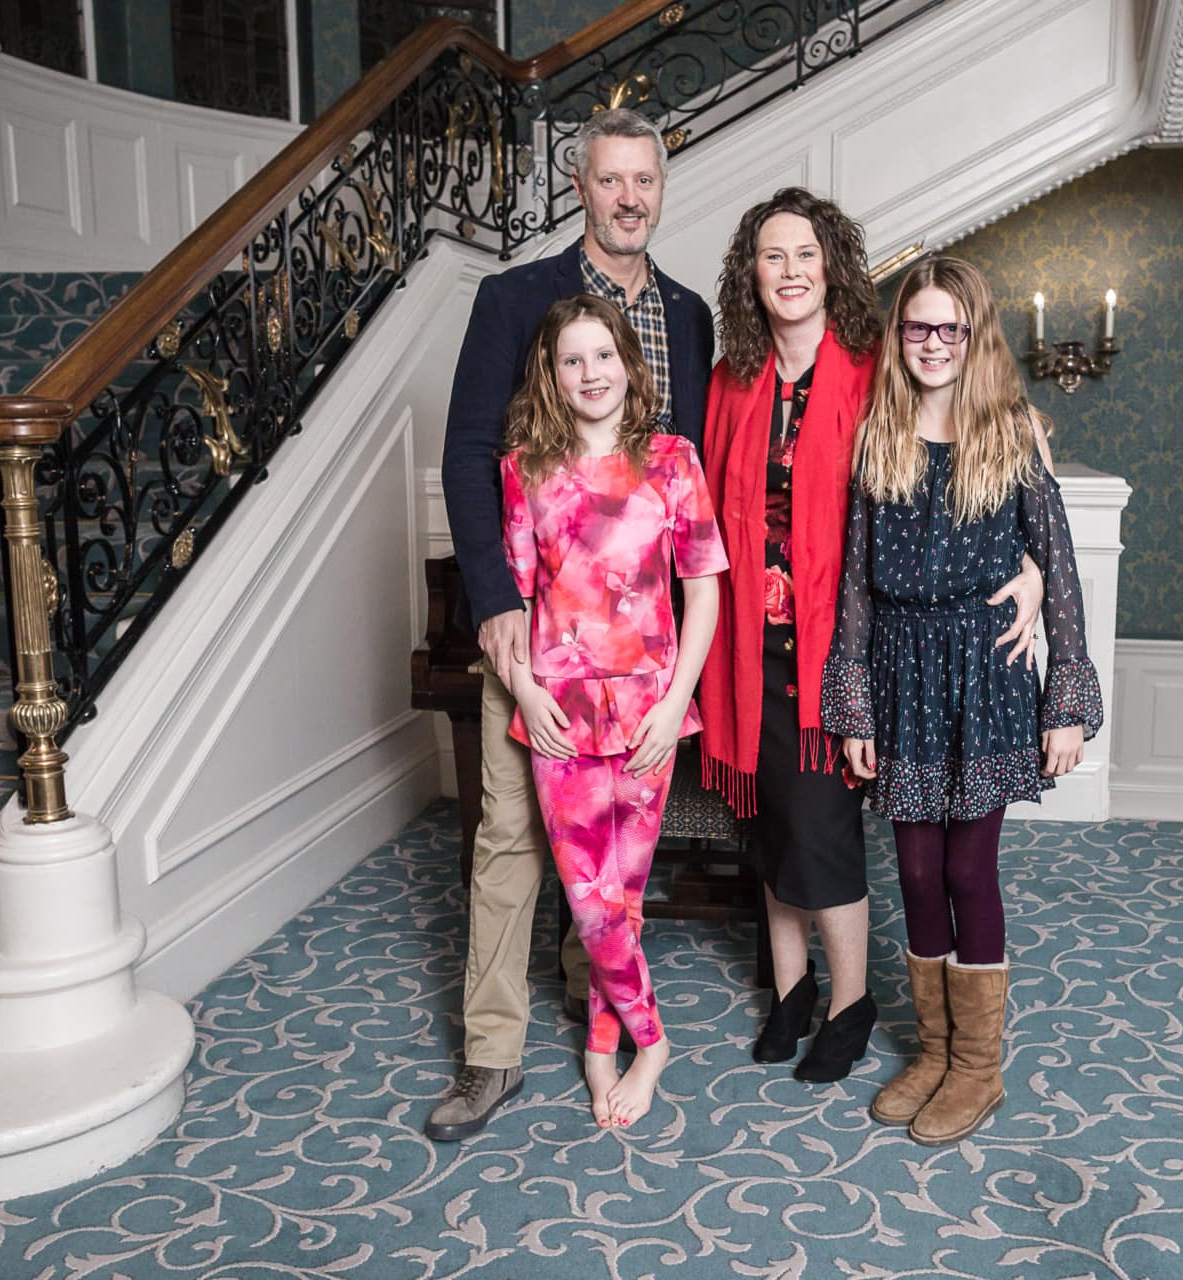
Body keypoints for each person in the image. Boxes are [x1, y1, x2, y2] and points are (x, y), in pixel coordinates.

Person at [696, 190, 1047, 1084]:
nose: (790, 272)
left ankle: (851, 1000)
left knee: (823, 829)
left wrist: (1035, 567)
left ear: (833, 268)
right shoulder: (733, 377)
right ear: (750, 274)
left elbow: (946, 473)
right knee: (771, 825)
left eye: (805, 255)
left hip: (839, 644)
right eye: (771, 257)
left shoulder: (867, 374)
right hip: (746, 642)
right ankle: (791, 991)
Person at [430, 108, 714, 1142]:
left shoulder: (688, 312)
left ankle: (595, 1008)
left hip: (644, 644)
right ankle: (491, 1053)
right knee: (511, 833)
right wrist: (497, 607)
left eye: (645, 180)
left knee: (607, 858)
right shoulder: (515, 299)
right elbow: (470, 453)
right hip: (537, 634)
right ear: (581, 188)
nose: (629, 196)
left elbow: (680, 476)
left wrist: (685, 657)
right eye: (610, 180)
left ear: (658, 190)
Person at [821, 255, 1105, 1144]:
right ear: (900, 335)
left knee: (967, 869)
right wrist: (856, 706)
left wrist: (1065, 699)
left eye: (950, 328)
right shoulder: (880, 435)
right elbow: (857, 588)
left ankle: (979, 1069)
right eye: (917, 327)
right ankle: (936, 1051)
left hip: (984, 674)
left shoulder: (1009, 432)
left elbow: (1056, 569)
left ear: (974, 335)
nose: (933, 343)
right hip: (903, 677)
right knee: (911, 870)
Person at [499, 295, 724, 1128]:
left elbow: (702, 594)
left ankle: (602, 1047)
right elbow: (517, 600)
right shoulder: (526, 468)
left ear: (630, 364)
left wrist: (675, 706)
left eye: (604, 356)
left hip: (648, 713)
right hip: (558, 711)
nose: (591, 373)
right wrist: (524, 689)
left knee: (620, 899)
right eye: (572, 360)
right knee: (588, 897)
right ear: (552, 376)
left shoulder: (673, 461)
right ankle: (652, 1039)